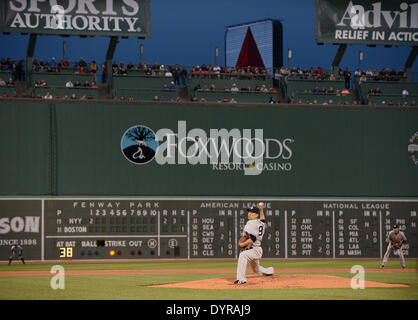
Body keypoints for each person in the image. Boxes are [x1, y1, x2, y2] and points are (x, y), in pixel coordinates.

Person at [234, 203, 274, 284]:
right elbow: (263, 219)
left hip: (254, 250)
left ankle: (241, 279)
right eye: (249, 212)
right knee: (256, 269)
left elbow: (252, 239)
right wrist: (262, 209)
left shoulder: (251, 223)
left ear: (256, 215)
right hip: (257, 250)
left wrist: (242, 244)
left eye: (252, 212)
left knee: (243, 255)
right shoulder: (259, 222)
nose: (249, 213)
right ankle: (270, 270)